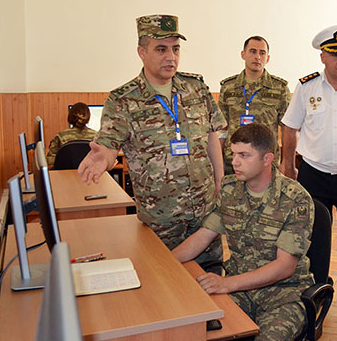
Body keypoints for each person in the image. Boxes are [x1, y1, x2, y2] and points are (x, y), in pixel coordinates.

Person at [78, 14, 226, 268]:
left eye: (175, 49)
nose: (171, 57)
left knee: (211, 280)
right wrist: (104, 157)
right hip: (161, 222)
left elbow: (213, 134)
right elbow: (109, 146)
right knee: (164, 283)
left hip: (205, 215)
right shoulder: (123, 100)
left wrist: (220, 181)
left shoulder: (196, 88)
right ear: (142, 52)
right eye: (161, 49)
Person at [172, 123, 314, 341]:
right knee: (192, 330)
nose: (234, 162)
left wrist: (226, 283)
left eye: (244, 155)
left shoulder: (295, 199)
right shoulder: (229, 189)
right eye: (233, 154)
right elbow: (203, 235)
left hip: (283, 294)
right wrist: (164, 264)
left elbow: (285, 267)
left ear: (267, 159)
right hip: (239, 292)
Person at [280, 24, 337, 311]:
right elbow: (289, 128)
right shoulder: (306, 87)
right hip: (313, 175)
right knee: (313, 240)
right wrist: (288, 169)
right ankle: (316, 295)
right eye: (336, 55)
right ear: (322, 56)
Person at [218, 36, 290, 174]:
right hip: (233, 162)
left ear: (267, 58)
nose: (257, 57)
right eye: (252, 51)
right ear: (243, 54)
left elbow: (287, 128)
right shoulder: (228, 87)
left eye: (262, 53)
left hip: (266, 162)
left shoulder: (280, 88)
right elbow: (221, 128)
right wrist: (218, 164)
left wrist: (286, 163)